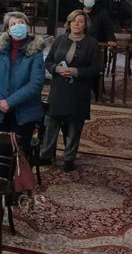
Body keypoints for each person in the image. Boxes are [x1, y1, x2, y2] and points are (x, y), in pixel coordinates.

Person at [0, 12, 46, 178]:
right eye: (13, 24)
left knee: (20, 152)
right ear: (8, 30)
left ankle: (18, 185)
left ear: (27, 26)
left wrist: (10, 102)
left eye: (21, 22)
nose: (18, 26)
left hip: (24, 112)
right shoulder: (0, 49)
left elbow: (36, 83)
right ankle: (2, 183)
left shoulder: (36, 52)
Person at [40, 9, 100, 171]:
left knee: (74, 126)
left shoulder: (92, 43)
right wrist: (56, 68)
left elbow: (96, 68)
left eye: (80, 21)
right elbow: (48, 61)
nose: (77, 24)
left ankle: (69, 158)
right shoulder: (60, 39)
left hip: (79, 90)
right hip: (59, 88)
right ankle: (46, 156)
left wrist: (76, 71)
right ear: (68, 23)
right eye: (74, 21)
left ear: (85, 25)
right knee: (52, 123)